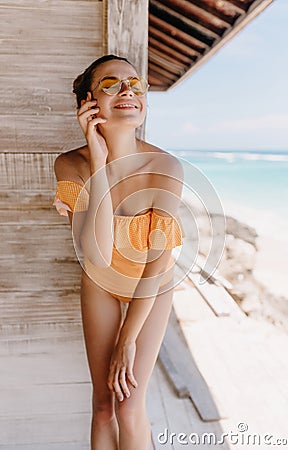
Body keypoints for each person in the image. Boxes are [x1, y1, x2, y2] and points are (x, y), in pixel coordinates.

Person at [53, 54, 184, 450]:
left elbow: (160, 263)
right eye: (111, 84)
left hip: (151, 284)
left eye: (135, 83)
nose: (127, 90)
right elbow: (97, 255)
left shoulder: (166, 166)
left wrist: (127, 340)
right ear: (89, 102)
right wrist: (97, 159)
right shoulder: (69, 164)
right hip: (101, 281)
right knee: (104, 406)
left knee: (129, 405)